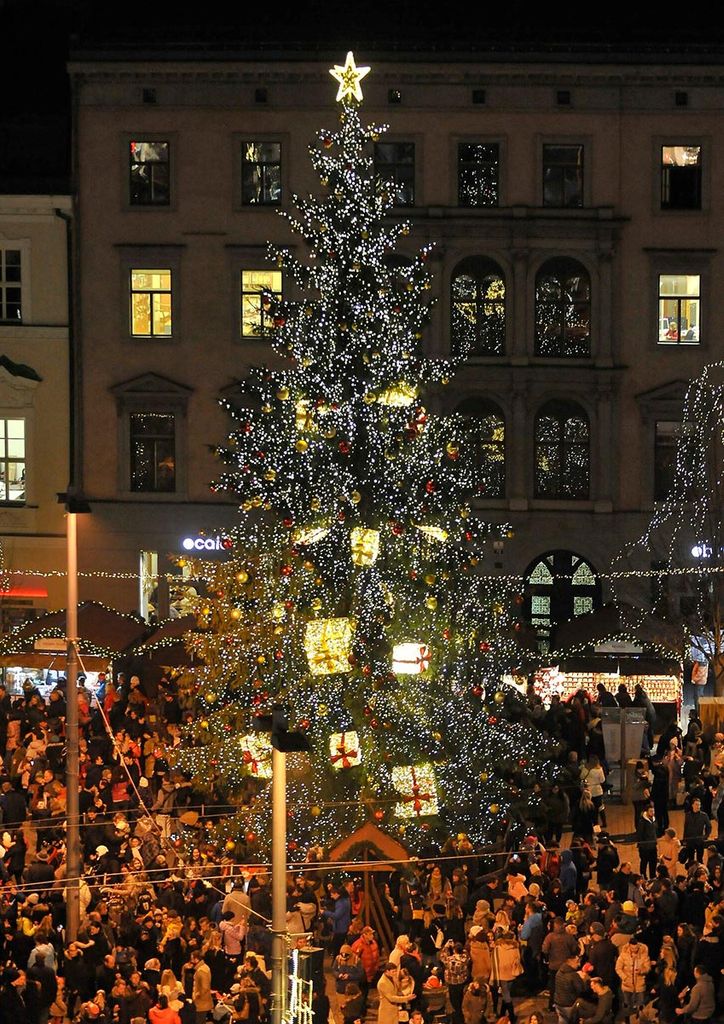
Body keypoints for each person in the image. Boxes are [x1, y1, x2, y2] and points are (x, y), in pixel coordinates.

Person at [636, 804, 658, 879]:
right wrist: (642, 846)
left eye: (653, 811)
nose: (652, 812)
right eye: (651, 811)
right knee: (644, 863)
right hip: (645, 848)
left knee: (653, 863)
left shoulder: (654, 819)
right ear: (647, 812)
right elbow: (640, 835)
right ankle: (643, 877)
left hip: (653, 846)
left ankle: (653, 876)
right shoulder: (642, 822)